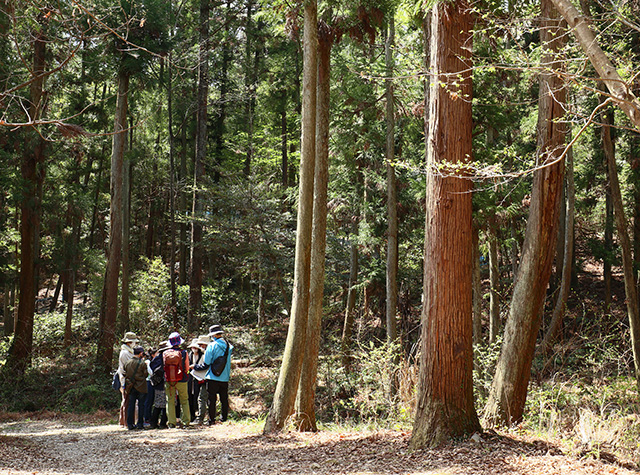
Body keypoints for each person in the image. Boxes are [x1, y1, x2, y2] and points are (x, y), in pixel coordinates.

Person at [202, 325, 233, 425]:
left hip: (213, 376)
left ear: (214, 335)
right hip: (225, 376)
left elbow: (207, 362)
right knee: (224, 398)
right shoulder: (229, 345)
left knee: (211, 399)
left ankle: (212, 419)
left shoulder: (212, 346)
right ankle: (224, 418)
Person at [163, 331, 191, 428]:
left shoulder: (165, 353)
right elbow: (187, 367)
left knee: (170, 401)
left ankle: (171, 423)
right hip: (182, 379)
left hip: (169, 381)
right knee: (184, 400)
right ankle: (185, 422)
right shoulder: (184, 352)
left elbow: (164, 367)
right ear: (179, 342)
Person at [124, 346, 148, 430]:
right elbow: (146, 374)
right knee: (141, 405)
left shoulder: (127, 362)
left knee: (131, 405)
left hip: (130, 386)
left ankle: (130, 424)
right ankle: (140, 424)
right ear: (141, 353)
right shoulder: (142, 363)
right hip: (141, 386)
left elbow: (125, 372)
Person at [117, 331, 139, 427]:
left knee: (126, 400)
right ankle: (126, 422)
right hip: (127, 379)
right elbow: (129, 367)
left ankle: (123, 421)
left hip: (127, 378)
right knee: (127, 401)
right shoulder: (125, 353)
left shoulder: (127, 351)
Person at [191, 334, 211, 425]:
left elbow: (205, 365)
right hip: (203, 378)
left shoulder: (207, 353)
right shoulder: (208, 352)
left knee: (202, 398)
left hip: (206, 378)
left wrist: (195, 367)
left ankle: (201, 418)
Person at [149, 341, 169, 429]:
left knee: (158, 404)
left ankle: (153, 423)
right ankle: (163, 423)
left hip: (157, 383)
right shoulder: (168, 357)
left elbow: (152, 366)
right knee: (166, 403)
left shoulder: (156, 359)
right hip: (167, 381)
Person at [187, 338, 204, 422]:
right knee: (190, 396)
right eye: (192, 347)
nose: (194, 349)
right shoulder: (189, 355)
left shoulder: (202, 355)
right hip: (190, 378)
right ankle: (191, 415)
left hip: (199, 378)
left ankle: (199, 414)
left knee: (198, 396)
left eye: (195, 347)